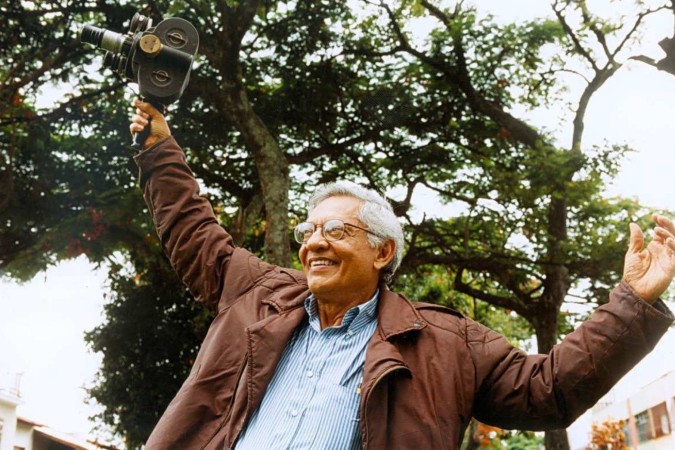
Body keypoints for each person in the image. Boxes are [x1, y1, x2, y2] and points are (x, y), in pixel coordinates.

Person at [129, 99, 675, 450]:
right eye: (309, 232)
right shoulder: (257, 294)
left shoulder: (447, 343)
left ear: (383, 252)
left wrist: (632, 300)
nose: (315, 243)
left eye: (337, 232)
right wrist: (159, 151)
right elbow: (195, 232)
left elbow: (547, 389)